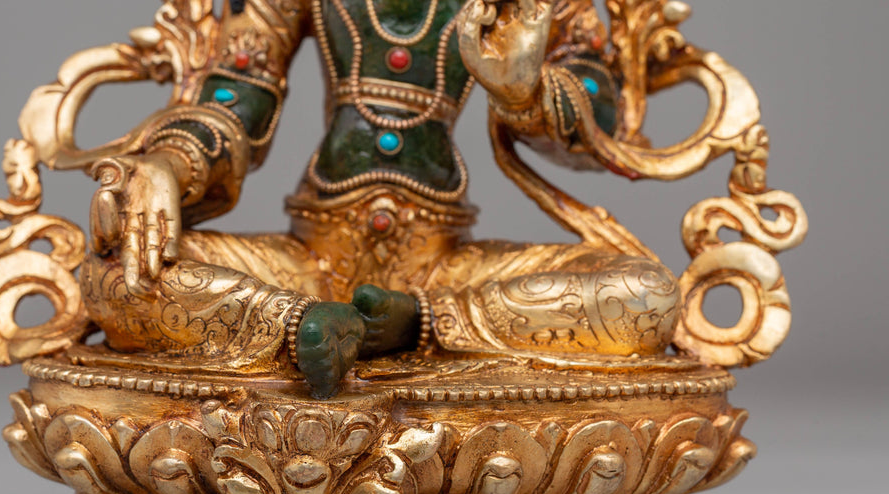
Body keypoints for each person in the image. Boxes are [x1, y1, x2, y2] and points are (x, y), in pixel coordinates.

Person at [82, 0, 680, 398]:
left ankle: (414, 324)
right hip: (305, 263)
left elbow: (599, 107)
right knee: (112, 275)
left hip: (446, 270)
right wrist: (167, 162)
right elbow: (238, 91)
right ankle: (304, 325)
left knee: (646, 295)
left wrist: (529, 92)